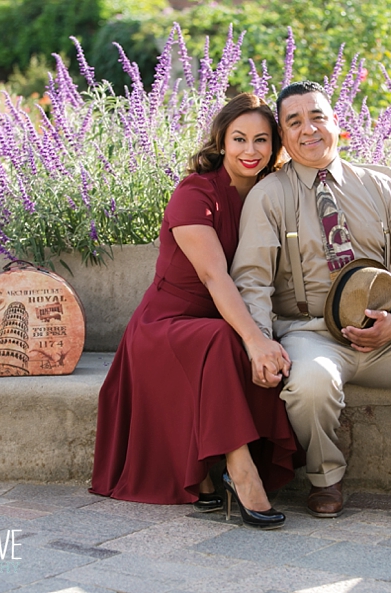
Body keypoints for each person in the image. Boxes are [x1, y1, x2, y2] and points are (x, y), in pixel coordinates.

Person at [230, 81, 391, 528]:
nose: (309, 130)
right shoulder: (269, 195)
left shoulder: (380, 187)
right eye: (294, 122)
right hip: (311, 335)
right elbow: (251, 280)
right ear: (283, 136)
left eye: (318, 117)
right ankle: (325, 477)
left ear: (336, 123)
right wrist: (261, 343)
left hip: (390, 335)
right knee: (310, 383)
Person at [91, 93, 301, 530]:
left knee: (246, 341)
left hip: (219, 318)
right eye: (239, 138)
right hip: (164, 325)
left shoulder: (272, 193)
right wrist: (255, 337)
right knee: (230, 340)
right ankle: (240, 472)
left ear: (275, 146)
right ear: (221, 141)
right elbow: (214, 278)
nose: (250, 150)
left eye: (262, 140)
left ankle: (214, 471)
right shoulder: (195, 192)